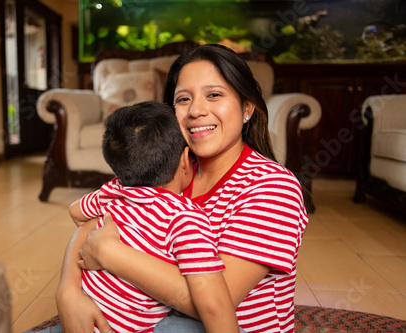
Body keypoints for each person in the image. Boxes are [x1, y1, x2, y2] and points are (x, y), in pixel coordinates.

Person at [55, 44, 309, 333]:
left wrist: (111, 253)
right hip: (152, 320)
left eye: (214, 95)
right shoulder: (164, 170)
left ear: (247, 107)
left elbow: (215, 301)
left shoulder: (273, 188)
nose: (196, 111)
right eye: (183, 99)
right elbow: (91, 222)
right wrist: (68, 290)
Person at [67, 101, 240, 333]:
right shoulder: (186, 217)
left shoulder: (114, 190)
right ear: (184, 159)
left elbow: (76, 211)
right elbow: (213, 306)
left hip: (85, 318)